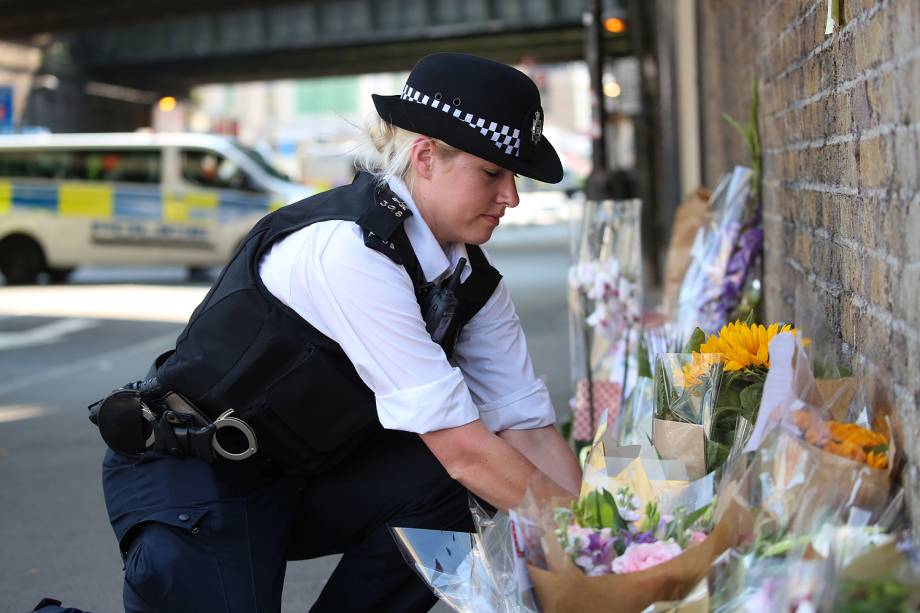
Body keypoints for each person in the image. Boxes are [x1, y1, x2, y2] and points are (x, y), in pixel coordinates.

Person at [96, 52, 582, 613]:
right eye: (492, 174)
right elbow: (466, 451)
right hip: (196, 478)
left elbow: (528, 429)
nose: (512, 197)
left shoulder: (471, 280)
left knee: (466, 493)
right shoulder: (350, 251)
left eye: (513, 177)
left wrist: (609, 538)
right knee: (477, 468)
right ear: (425, 157)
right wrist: (588, 542)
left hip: (302, 475)